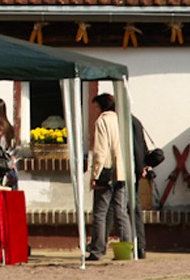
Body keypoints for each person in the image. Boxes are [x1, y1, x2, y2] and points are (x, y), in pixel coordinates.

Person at [86, 93, 131, 261]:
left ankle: (97, 249)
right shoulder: (122, 119)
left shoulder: (102, 121)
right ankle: (127, 248)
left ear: (101, 106)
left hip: (106, 170)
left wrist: (95, 174)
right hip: (122, 170)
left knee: (100, 213)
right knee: (121, 211)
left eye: (96, 107)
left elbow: (100, 150)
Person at [105, 114, 154, 259]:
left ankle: (105, 243)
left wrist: (139, 168)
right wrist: (142, 166)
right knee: (133, 207)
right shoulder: (135, 120)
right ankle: (140, 246)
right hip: (135, 169)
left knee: (120, 207)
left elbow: (135, 147)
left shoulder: (124, 120)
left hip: (127, 170)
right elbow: (141, 146)